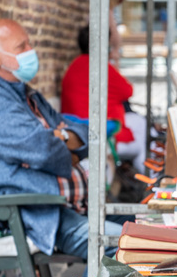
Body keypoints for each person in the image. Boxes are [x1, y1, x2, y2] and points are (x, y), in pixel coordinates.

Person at [0, 19, 122, 261]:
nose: (30, 51)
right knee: (127, 246)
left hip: (62, 207)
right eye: (21, 46)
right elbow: (43, 149)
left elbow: (81, 132)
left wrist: (61, 137)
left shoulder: (23, 92)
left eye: (29, 44)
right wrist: (63, 144)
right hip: (29, 215)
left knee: (141, 229)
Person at [61, 25, 148, 172]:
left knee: (140, 123)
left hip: (81, 127)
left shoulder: (74, 65)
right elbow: (127, 91)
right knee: (142, 136)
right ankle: (149, 180)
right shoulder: (99, 66)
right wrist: (114, 63)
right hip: (99, 131)